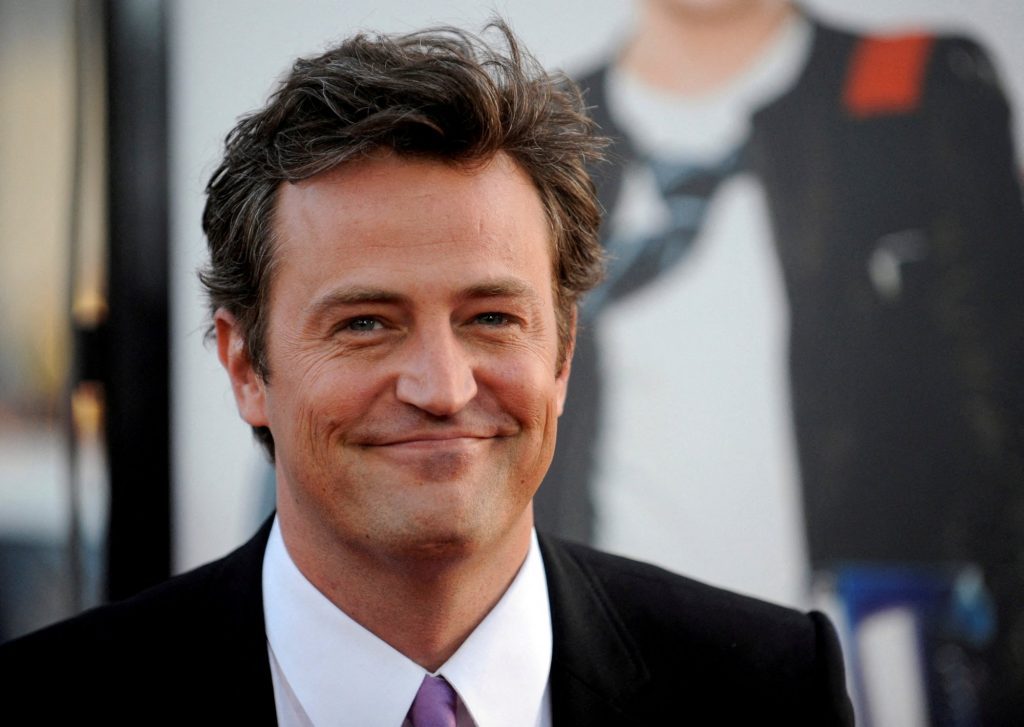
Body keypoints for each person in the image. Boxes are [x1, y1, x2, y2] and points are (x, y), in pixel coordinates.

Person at [0, 21, 853, 725]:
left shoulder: (770, 689)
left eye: (492, 318)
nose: (443, 389)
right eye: (366, 324)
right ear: (245, 364)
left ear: (562, 353)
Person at [534, 0, 1024, 723]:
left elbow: (1006, 416)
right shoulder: (541, 130)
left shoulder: (916, 91)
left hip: (876, 668)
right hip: (614, 669)